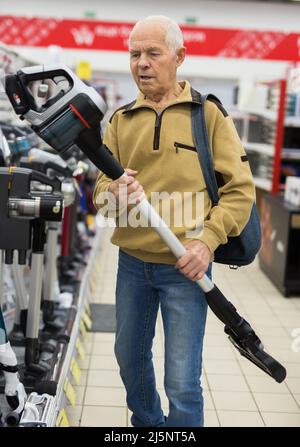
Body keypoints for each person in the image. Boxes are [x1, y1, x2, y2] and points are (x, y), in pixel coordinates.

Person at [93, 15, 256, 427]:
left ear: (179, 57)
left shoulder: (208, 117)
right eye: (134, 54)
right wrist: (113, 194)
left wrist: (206, 242)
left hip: (187, 266)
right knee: (129, 360)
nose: (141, 63)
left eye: (152, 53)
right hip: (131, 264)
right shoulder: (119, 121)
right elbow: (98, 195)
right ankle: (149, 427)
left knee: (182, 379)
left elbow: (240, 190)